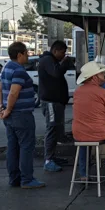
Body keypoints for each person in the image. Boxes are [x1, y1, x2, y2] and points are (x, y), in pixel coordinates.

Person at [0, 42, 44, 189]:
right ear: (19, 55)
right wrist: (8, 109)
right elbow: (14, 92)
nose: (28, 56)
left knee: (13, 147)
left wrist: (2, 107)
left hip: (10, 116)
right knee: (26, 147)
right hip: (21, 114)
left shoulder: (6, 68)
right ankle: (27, 179)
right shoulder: (18, 71)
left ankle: (14, 178)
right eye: (26, 53)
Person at [38, 40, 74, 173]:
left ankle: (52, 157)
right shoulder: (47, 60)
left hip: (56, 102)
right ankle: (48, 160)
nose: (63, 55)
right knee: (52, 129)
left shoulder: (51, 60)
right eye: (62, 52)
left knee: (56, 129)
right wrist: (65, 63)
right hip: (51, 102)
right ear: (55, 51)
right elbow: (56, 73)